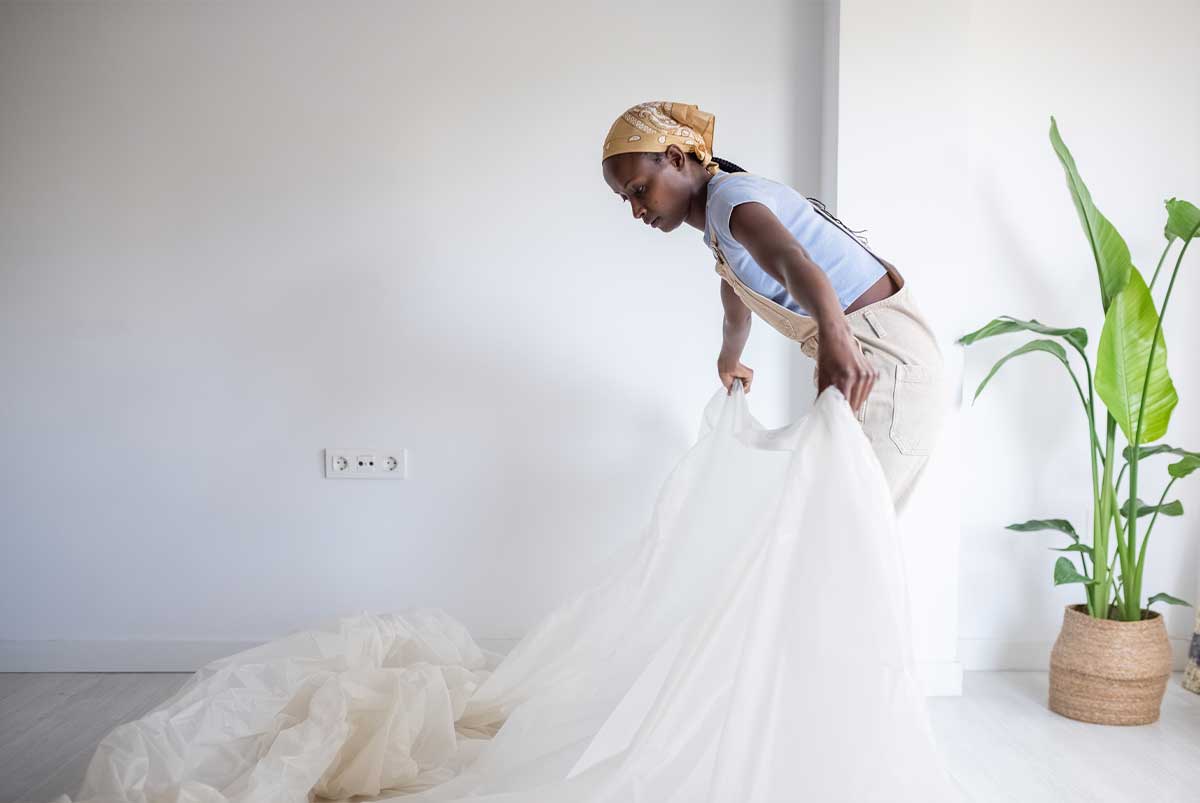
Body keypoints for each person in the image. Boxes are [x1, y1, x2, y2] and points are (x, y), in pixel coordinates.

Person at [601, 100, 947, 514]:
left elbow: (792, 260)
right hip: (872, 356)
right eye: (626, 199)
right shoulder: (722, 220)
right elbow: (737, 303)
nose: (637, 209)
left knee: (841, 542)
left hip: (884, 363)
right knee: (825, 539)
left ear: (676, 158)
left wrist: (836, 338)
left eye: (639, 189)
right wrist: (730, 358)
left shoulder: (732, 201)